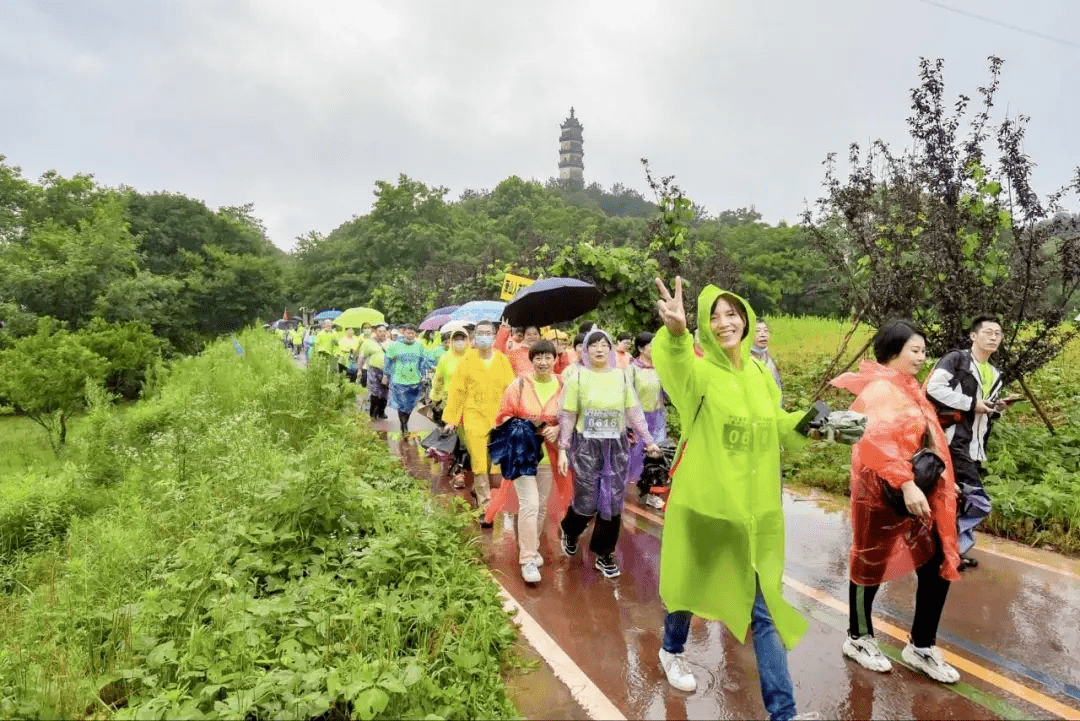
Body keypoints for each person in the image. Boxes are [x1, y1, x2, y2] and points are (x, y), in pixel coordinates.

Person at [652, 277, 812, 720]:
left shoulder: (760, 372)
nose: (724, 323)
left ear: (745, 317)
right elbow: (676, 361)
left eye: (731, 313)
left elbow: (777, 423)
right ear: (703, 325)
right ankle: (672, 648)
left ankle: (784, 714)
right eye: (714, 316)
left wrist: (815, 425)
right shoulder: (698, 373)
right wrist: (679, 334)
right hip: (707, 507)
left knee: (764, 610)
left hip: (754, 512)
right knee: (688, 587)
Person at [831, 319, 961, 684]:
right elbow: (874, 442)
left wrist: (944, 483)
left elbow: (927, 438)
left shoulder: (909, 388)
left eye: (922, 350)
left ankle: (921, 645)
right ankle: (857, 637)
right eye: (914, 350)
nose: (922, 357)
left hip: (918, 490)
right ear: (893, 352)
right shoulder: (878, 391)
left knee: (936, 561)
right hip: (881, 492)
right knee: (869, 562)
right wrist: (905, 484)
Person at [557, 328, 660, 579]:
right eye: (593, 345)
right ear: (585, 350)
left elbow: (633, 412)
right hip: (586, 446)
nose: (599, 349)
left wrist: (649, 441)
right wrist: (563, 448)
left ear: (611, 349)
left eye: (604, 344)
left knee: (612, 500)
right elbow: (568, 415)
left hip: (615, 446)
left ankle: (604, 553)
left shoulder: (620, 377)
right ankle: (570, 529)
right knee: (587, 500)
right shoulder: (577, 378)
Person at [925, 315, 1010, 570]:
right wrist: (973, 404)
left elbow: (982, 410)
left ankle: (947, 551)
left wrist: (997, 408)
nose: (994, 337)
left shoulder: (994, 373)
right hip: (951, 440)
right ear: (974, 336)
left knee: (958, 499)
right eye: (988, 332)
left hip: (974, 444)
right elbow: (934, 388)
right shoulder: (956, 360)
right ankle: (948, 551)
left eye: (998, 333)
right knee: (977, 499)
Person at [486, 340, 572, 583]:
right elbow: (501, 417)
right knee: (530, 504)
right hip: (523, 456)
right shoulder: (519, 385)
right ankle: (528, 559)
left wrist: (557, 429)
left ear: (555, 359)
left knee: (541, 506)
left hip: (549, 458)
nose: (543, 362)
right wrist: (526, 426)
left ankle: (532, 547)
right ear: (531, 360)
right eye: (538, 358)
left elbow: (572, 418)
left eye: (548, 357)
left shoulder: (565, 386)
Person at [443, 320, 515, 523]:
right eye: (480, 333)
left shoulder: (502, 360)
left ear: (494, 336)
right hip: (474, 418)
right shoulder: (467, 360)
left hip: (499, 420)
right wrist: (452, 419)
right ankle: (486, 508)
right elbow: (457, 391)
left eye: (488, 333)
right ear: (474, 337)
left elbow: (511, 390)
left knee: (495, 465)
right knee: (478, 462)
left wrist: (514, 415)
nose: (484, 336)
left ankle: (480, 489)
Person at [626, 332, 668, 508]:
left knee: (656, 456)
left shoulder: (660, 368)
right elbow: (627, 395)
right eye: (652, 345)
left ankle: (651, 493)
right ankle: (631, 488)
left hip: (657, 417)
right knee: (635, 458)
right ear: (641, 348)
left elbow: (668, 392)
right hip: (637, 419)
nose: (655, 349)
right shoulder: (632, 369)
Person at [383, 324, 426, 435]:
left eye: (412, 333)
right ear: (403, 333)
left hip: (414, 379)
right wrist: (385, 375)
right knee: (402, 404)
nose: (410, 335)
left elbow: (422, 361)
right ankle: (404, 425)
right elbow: (388, 361)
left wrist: (423, 374)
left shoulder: (419, 347)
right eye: (408, 333)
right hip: (399, 380)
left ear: (415, 334)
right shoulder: (395, 346)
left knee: (411, 404)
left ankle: (406, 420)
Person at [358, 324, 391, 421]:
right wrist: (359, 369)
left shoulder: (390, 343)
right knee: (375, 391)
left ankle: (381, 411)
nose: (382, 333)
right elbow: (362, 357)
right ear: (375, 332)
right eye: (380, 331)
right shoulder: (369, 343)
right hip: (374, 370)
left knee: (385, 391)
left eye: (384, 331)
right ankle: (373, 413)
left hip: (387, 371)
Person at [751, 319, 783, 402]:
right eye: (757, 331)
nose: (763, 334)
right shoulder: (744, 360)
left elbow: (777, 387)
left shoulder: (769, 358)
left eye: (765, 331)